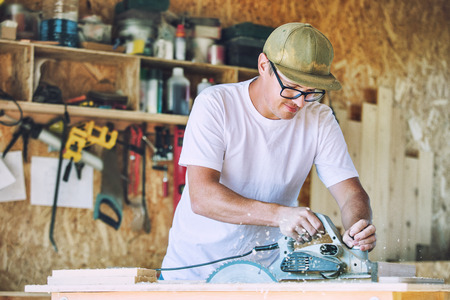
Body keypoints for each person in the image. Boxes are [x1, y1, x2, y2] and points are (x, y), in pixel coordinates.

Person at [161, 22, 376, 280]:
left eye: (311, 93)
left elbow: (351, 193)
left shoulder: (320, 118)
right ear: (263, 65)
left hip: (264, 275)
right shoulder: (216, 104)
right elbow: (202, 197)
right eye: (292, 87)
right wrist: (280, 215)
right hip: (193, 273)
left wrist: (358, 227)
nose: (299, 102)